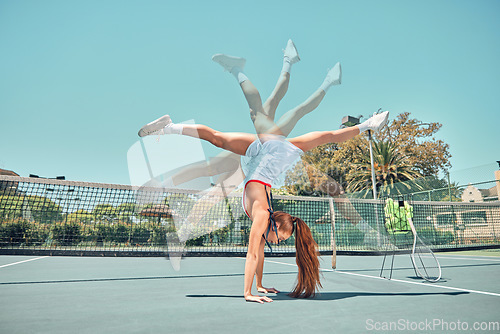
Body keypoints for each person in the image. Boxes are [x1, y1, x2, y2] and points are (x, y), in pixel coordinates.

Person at [138, 43, 389, 303]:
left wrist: (259, 285)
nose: (278, 243)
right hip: (273, 152)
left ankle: (179, 119)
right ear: (275, 225)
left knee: (221, 138)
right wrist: (247, 294)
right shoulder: (262, 214)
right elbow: (252, 256)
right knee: (262, 113)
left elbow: (258, 253)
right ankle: (237, 72)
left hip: (262, 154)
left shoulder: (264, 218)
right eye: (281, 237)